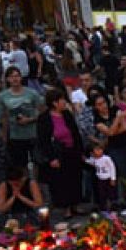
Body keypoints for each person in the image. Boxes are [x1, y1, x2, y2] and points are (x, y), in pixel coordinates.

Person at [38, 89, 85, 217]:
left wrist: (81, 151)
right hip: (59, 153)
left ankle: (76, 204)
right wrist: (51, 158)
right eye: (62, 100)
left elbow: (75, 133)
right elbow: (43, 141)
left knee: (75, 178)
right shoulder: (44, 118)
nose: (64, 102)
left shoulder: (67, 114)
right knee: (62, 181)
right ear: (54, 102)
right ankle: (66, 208)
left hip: (72, 151)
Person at [86, 139, 118, 211]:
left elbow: (112, 168)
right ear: (92, 153)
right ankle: (103, 207)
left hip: (108, 178)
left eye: (100, 149)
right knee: (102, 193)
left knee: (110, 193)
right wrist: (85, 159)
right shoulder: (94, 159)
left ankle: (112, 206)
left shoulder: (107, 158)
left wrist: (113, 178)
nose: (99, 151)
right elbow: (91, 162)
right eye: (97, 150)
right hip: (100, 179)